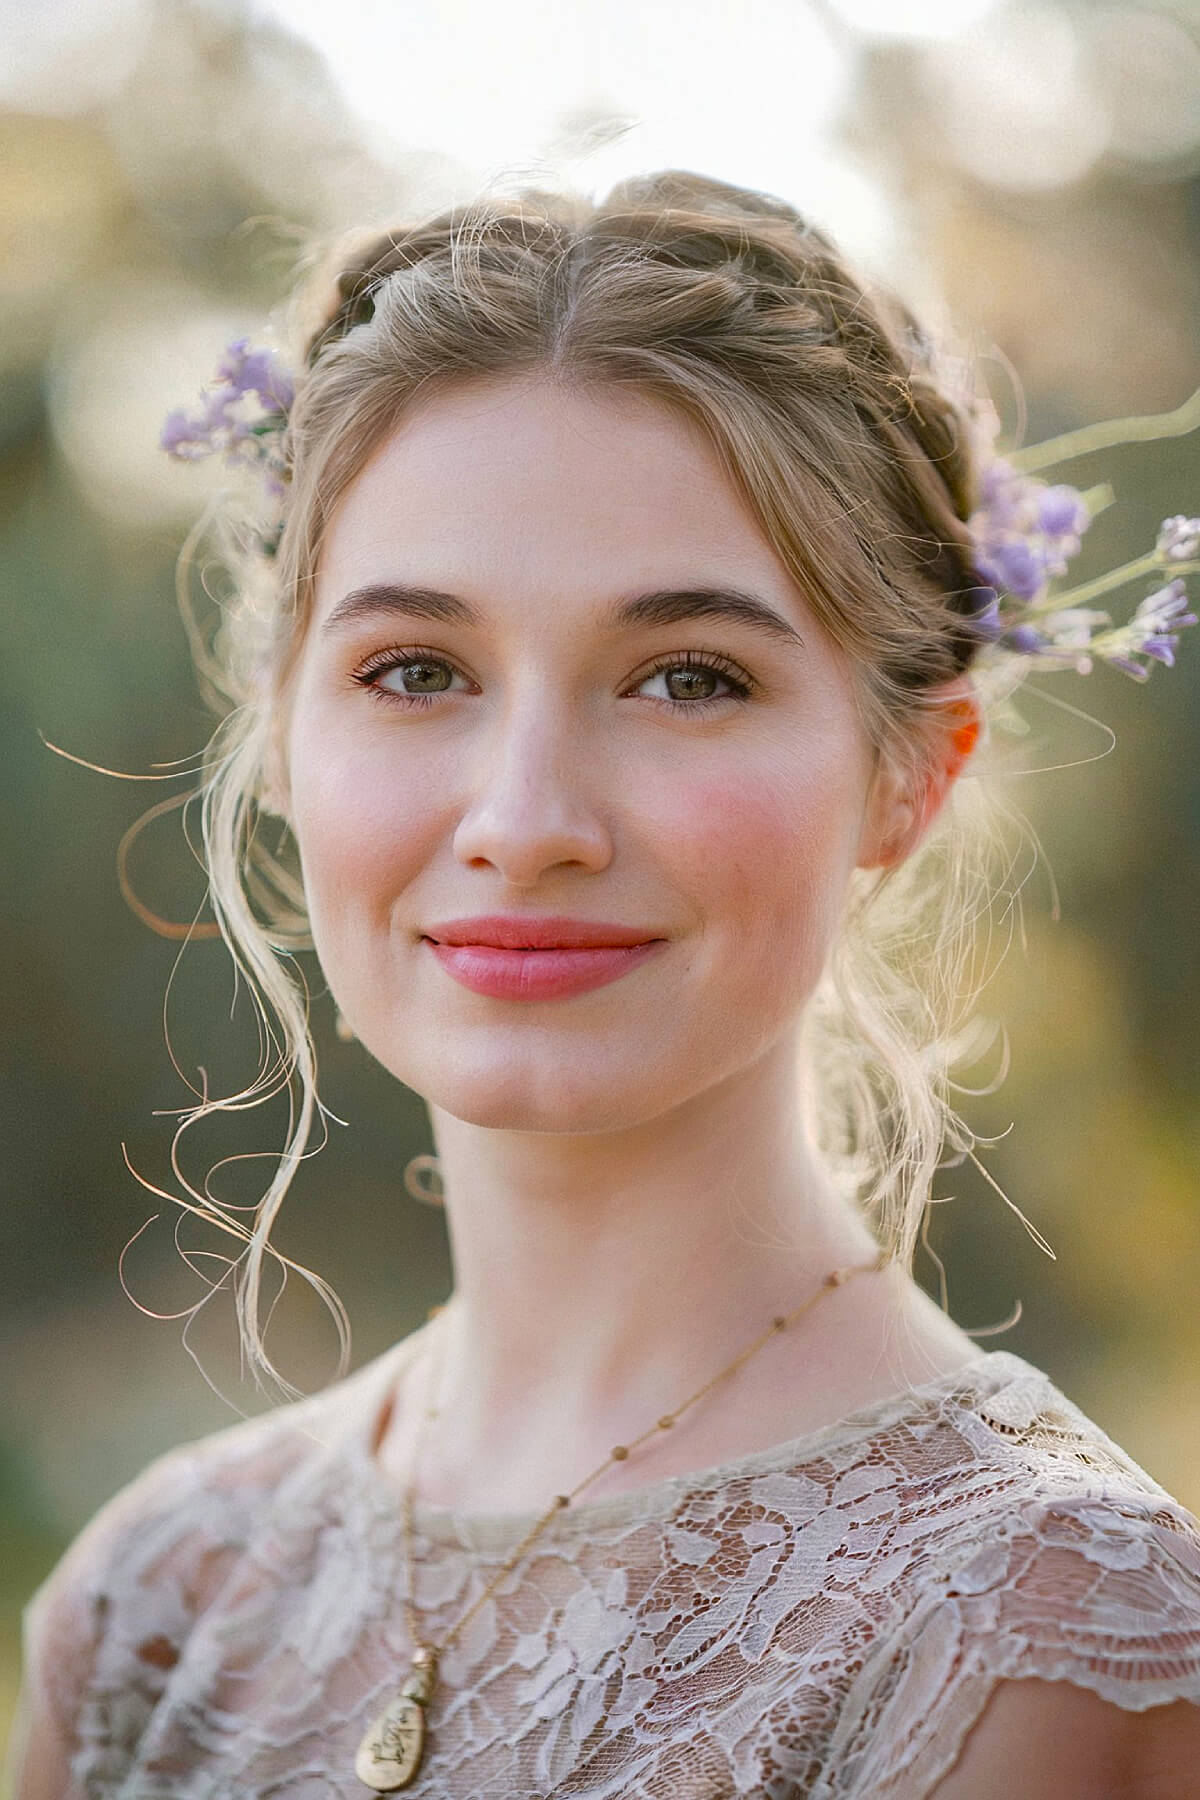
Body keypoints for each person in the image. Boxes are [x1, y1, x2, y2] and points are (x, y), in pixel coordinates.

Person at [9, 168, 1200, 1798]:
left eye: (689, 678)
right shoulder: (157, 1607)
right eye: (415, 671)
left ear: (912, 773)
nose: (525, 822)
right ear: (281, 740)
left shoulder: (1045, 1630)